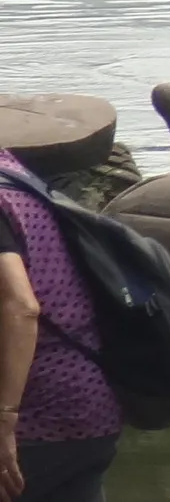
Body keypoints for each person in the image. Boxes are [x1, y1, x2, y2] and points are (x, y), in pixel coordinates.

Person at [0, 148, 123, 502]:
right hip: (92, 404)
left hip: (35, 418)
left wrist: (4, 421)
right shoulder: (17, 174)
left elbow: (21, 306)